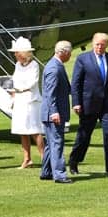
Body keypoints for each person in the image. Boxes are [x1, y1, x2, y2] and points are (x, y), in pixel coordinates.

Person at [68, 32, 108, 177]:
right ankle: (74, 160)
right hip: (88, 104)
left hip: (107, 105)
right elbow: (76, 83)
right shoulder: (83, 59)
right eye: (97, 44)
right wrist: (76, 103)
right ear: (93, 44)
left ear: (107, 45)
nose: (99, 47)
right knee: (84, 136)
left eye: (102, 45)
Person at [8, 37, 44, 169]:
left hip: (30, 99)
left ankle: (44, 157)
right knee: (22, 130)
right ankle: (27, 159)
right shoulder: (17, 65)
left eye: (17, 52)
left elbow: (32, 82)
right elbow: (15, 81)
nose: (15, 55)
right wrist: (14, 92)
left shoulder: (34, 65)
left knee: (34, 130)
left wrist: (20, 89)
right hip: (19, 99)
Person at [39, 40, 73, 184]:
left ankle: (46, 172)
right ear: (64, 52)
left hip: (50, 112)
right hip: (53, 113)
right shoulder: (54, 68)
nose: (70, 55)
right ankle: (59, 174)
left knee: (50, 144)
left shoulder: (55, 65)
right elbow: (50, 93)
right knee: (57, 142)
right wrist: (54, 112)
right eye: (69, 53)